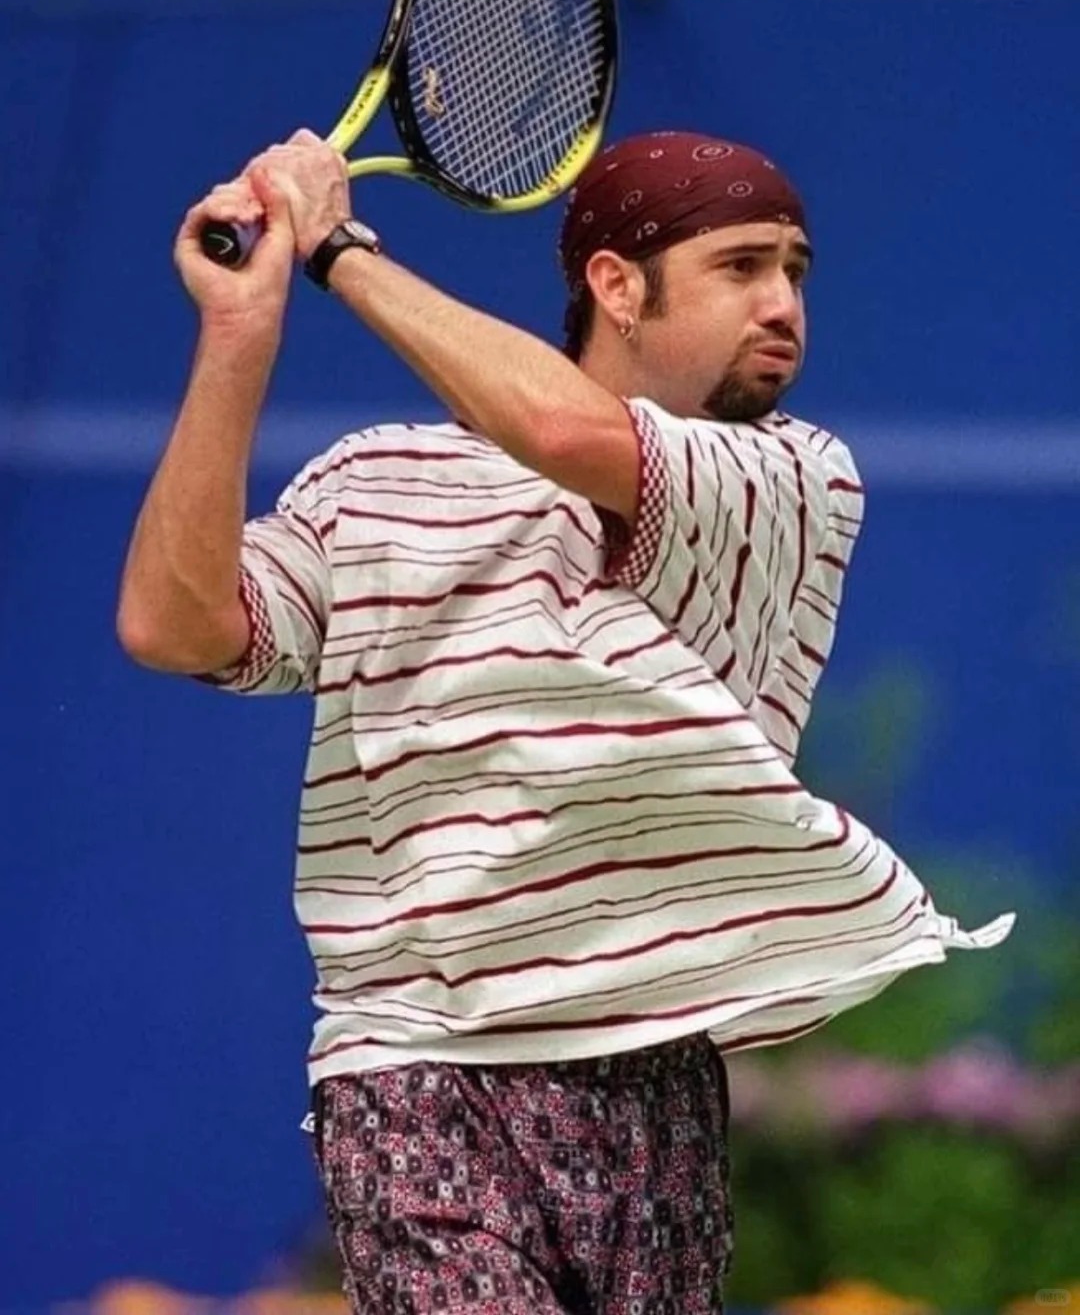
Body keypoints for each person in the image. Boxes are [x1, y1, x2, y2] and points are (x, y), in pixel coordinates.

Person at [117, 128, 1012, 1315]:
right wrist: (240, 330)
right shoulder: (373, 481)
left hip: (653, 1075)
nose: (783, 304)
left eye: (796, 271)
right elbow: (174, 626)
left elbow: (563, 434)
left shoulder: (794, 478)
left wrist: (337, 249)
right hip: (413, 1067)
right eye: (742, 267)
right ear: (615, 285)